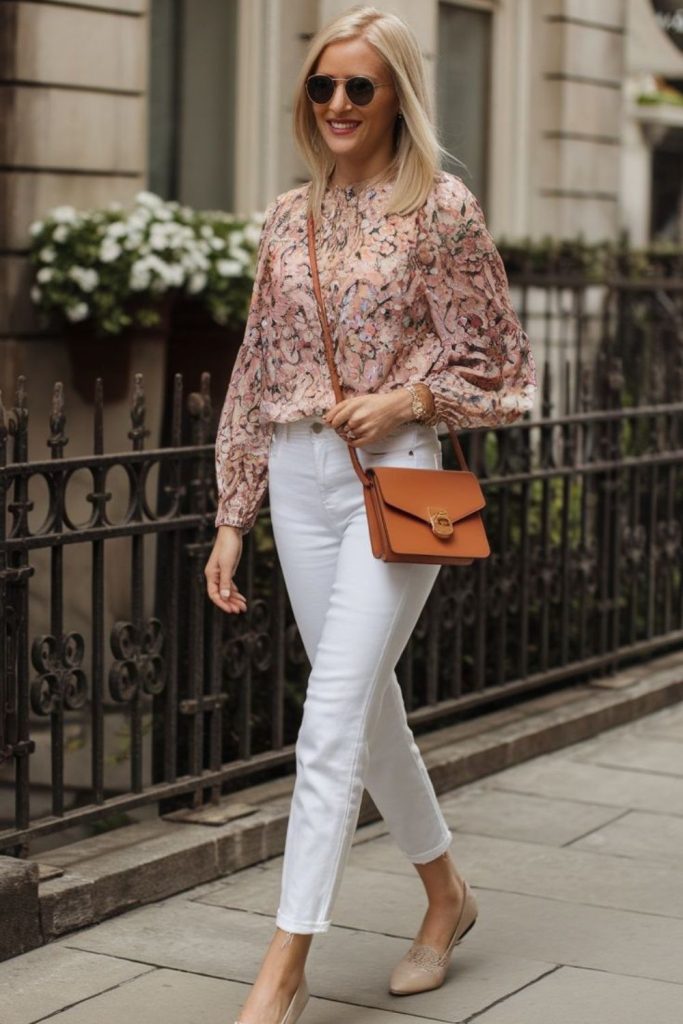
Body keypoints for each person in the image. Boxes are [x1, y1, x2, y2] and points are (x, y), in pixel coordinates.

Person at [204, 6, 537, 1023]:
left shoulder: (439, 209)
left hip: (394, 478)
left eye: (360, 86)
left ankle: (282, 968)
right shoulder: (283, 216)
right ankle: (446, 898)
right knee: (365, 709)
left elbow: (506, 370)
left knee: (328, 724)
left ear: (395, 94)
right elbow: (256, 369)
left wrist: (410, 398)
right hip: (300, 482)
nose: (339, 104)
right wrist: (233, 511)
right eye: (322, 86)